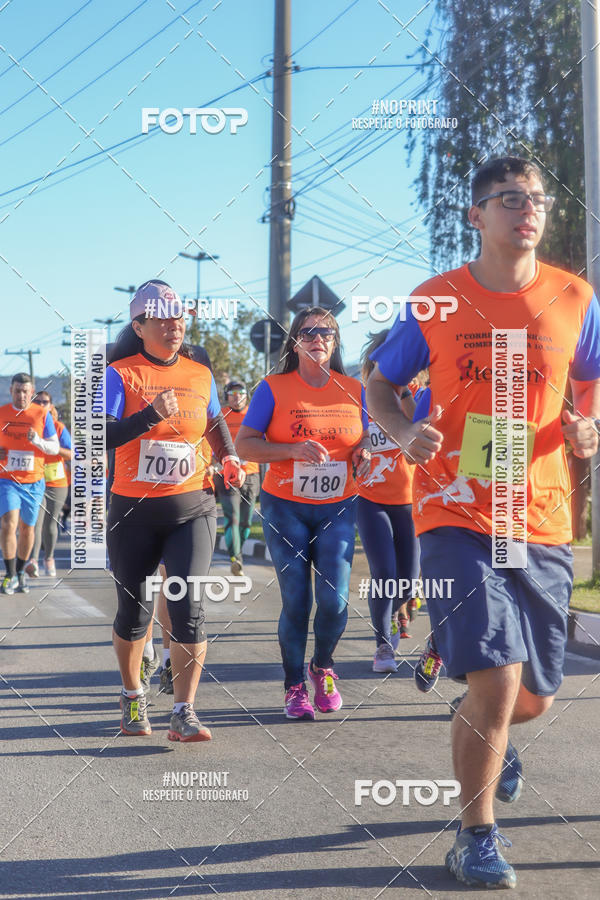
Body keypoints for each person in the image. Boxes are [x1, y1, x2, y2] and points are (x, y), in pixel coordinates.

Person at [367, 156, 600, 889]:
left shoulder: (575, 296)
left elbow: (591, 383)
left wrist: (588, 425)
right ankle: (476, 838)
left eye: (535, 199)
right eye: (507, 199)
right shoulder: (437, 300)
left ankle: (492, 736)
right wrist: (404, 434)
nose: (526, 210)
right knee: (498, 680)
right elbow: (379, 382)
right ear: (476, 215)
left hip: (540, 516)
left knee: (530, 697)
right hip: (454, 509)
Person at [106, 279, 244, 740]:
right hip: (134, 511)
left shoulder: (199, 372)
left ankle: (184, 712)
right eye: (163, 320)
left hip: (194, 506)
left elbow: (215, 421)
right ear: (139, 325)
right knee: (135, 612)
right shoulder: (118, 374)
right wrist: (149, 416)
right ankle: (132, 699)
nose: (174, 327)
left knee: (188, 607)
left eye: (179, 319)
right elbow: (99, 438)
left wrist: (229, 457)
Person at [236, 307, 371, 719]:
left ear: (335, 342)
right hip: (285, 506)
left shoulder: (355, 389)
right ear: (295, 342)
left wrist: (365, 454)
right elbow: (244, 446)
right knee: (297, 600)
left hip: (338, 506)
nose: (318, 338)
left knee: (334, 601)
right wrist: (290, 450)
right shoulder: (272, 388)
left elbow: (366, 441)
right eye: (308, 332)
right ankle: (294, 685)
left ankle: (322, 665)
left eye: (326, 332)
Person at [356, 332, 420, 673]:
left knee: (408, 580)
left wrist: (405, 390)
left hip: (412, 502)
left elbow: (422, 429)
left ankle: (397, 612)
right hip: (371, 500)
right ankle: (382, 646)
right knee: (384, 573)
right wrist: (361, 443)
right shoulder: (362, 396)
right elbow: (352, 434)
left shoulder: (417, 397)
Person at [0, 373, 59, 594]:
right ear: (11, 391)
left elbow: (53, 448)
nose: (21, 395)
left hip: (34, 482)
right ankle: (9, 574)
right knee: (8, 524)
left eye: (25, 391)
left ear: (31, 392)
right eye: (17, 390)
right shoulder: (2, 413)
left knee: (27, 529)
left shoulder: (42, 414)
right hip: (7, 479)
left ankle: (21, 571)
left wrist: (37, 441)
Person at [215, 380, 261, 575]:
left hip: (251, 474)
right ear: (227, 397)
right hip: (225, 474)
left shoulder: (254, 414)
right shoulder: (220, 415)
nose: (236, 396)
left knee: (246, 522)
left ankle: (238, 550)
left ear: (245, 395)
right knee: (232, 517)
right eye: (232, 393)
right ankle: (236, 557)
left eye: (240, 392)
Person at [26, 394, 72, 578]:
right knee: (35, 521)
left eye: (45, 402)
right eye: (37, 402)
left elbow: (71, 454)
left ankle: (49, 558)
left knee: (50, 523)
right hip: (34, 479)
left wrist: (51, 447)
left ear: (51, 405)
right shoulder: (28, 426)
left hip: (57, 482)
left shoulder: (59, 428)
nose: (41, 405)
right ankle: (33, 561)